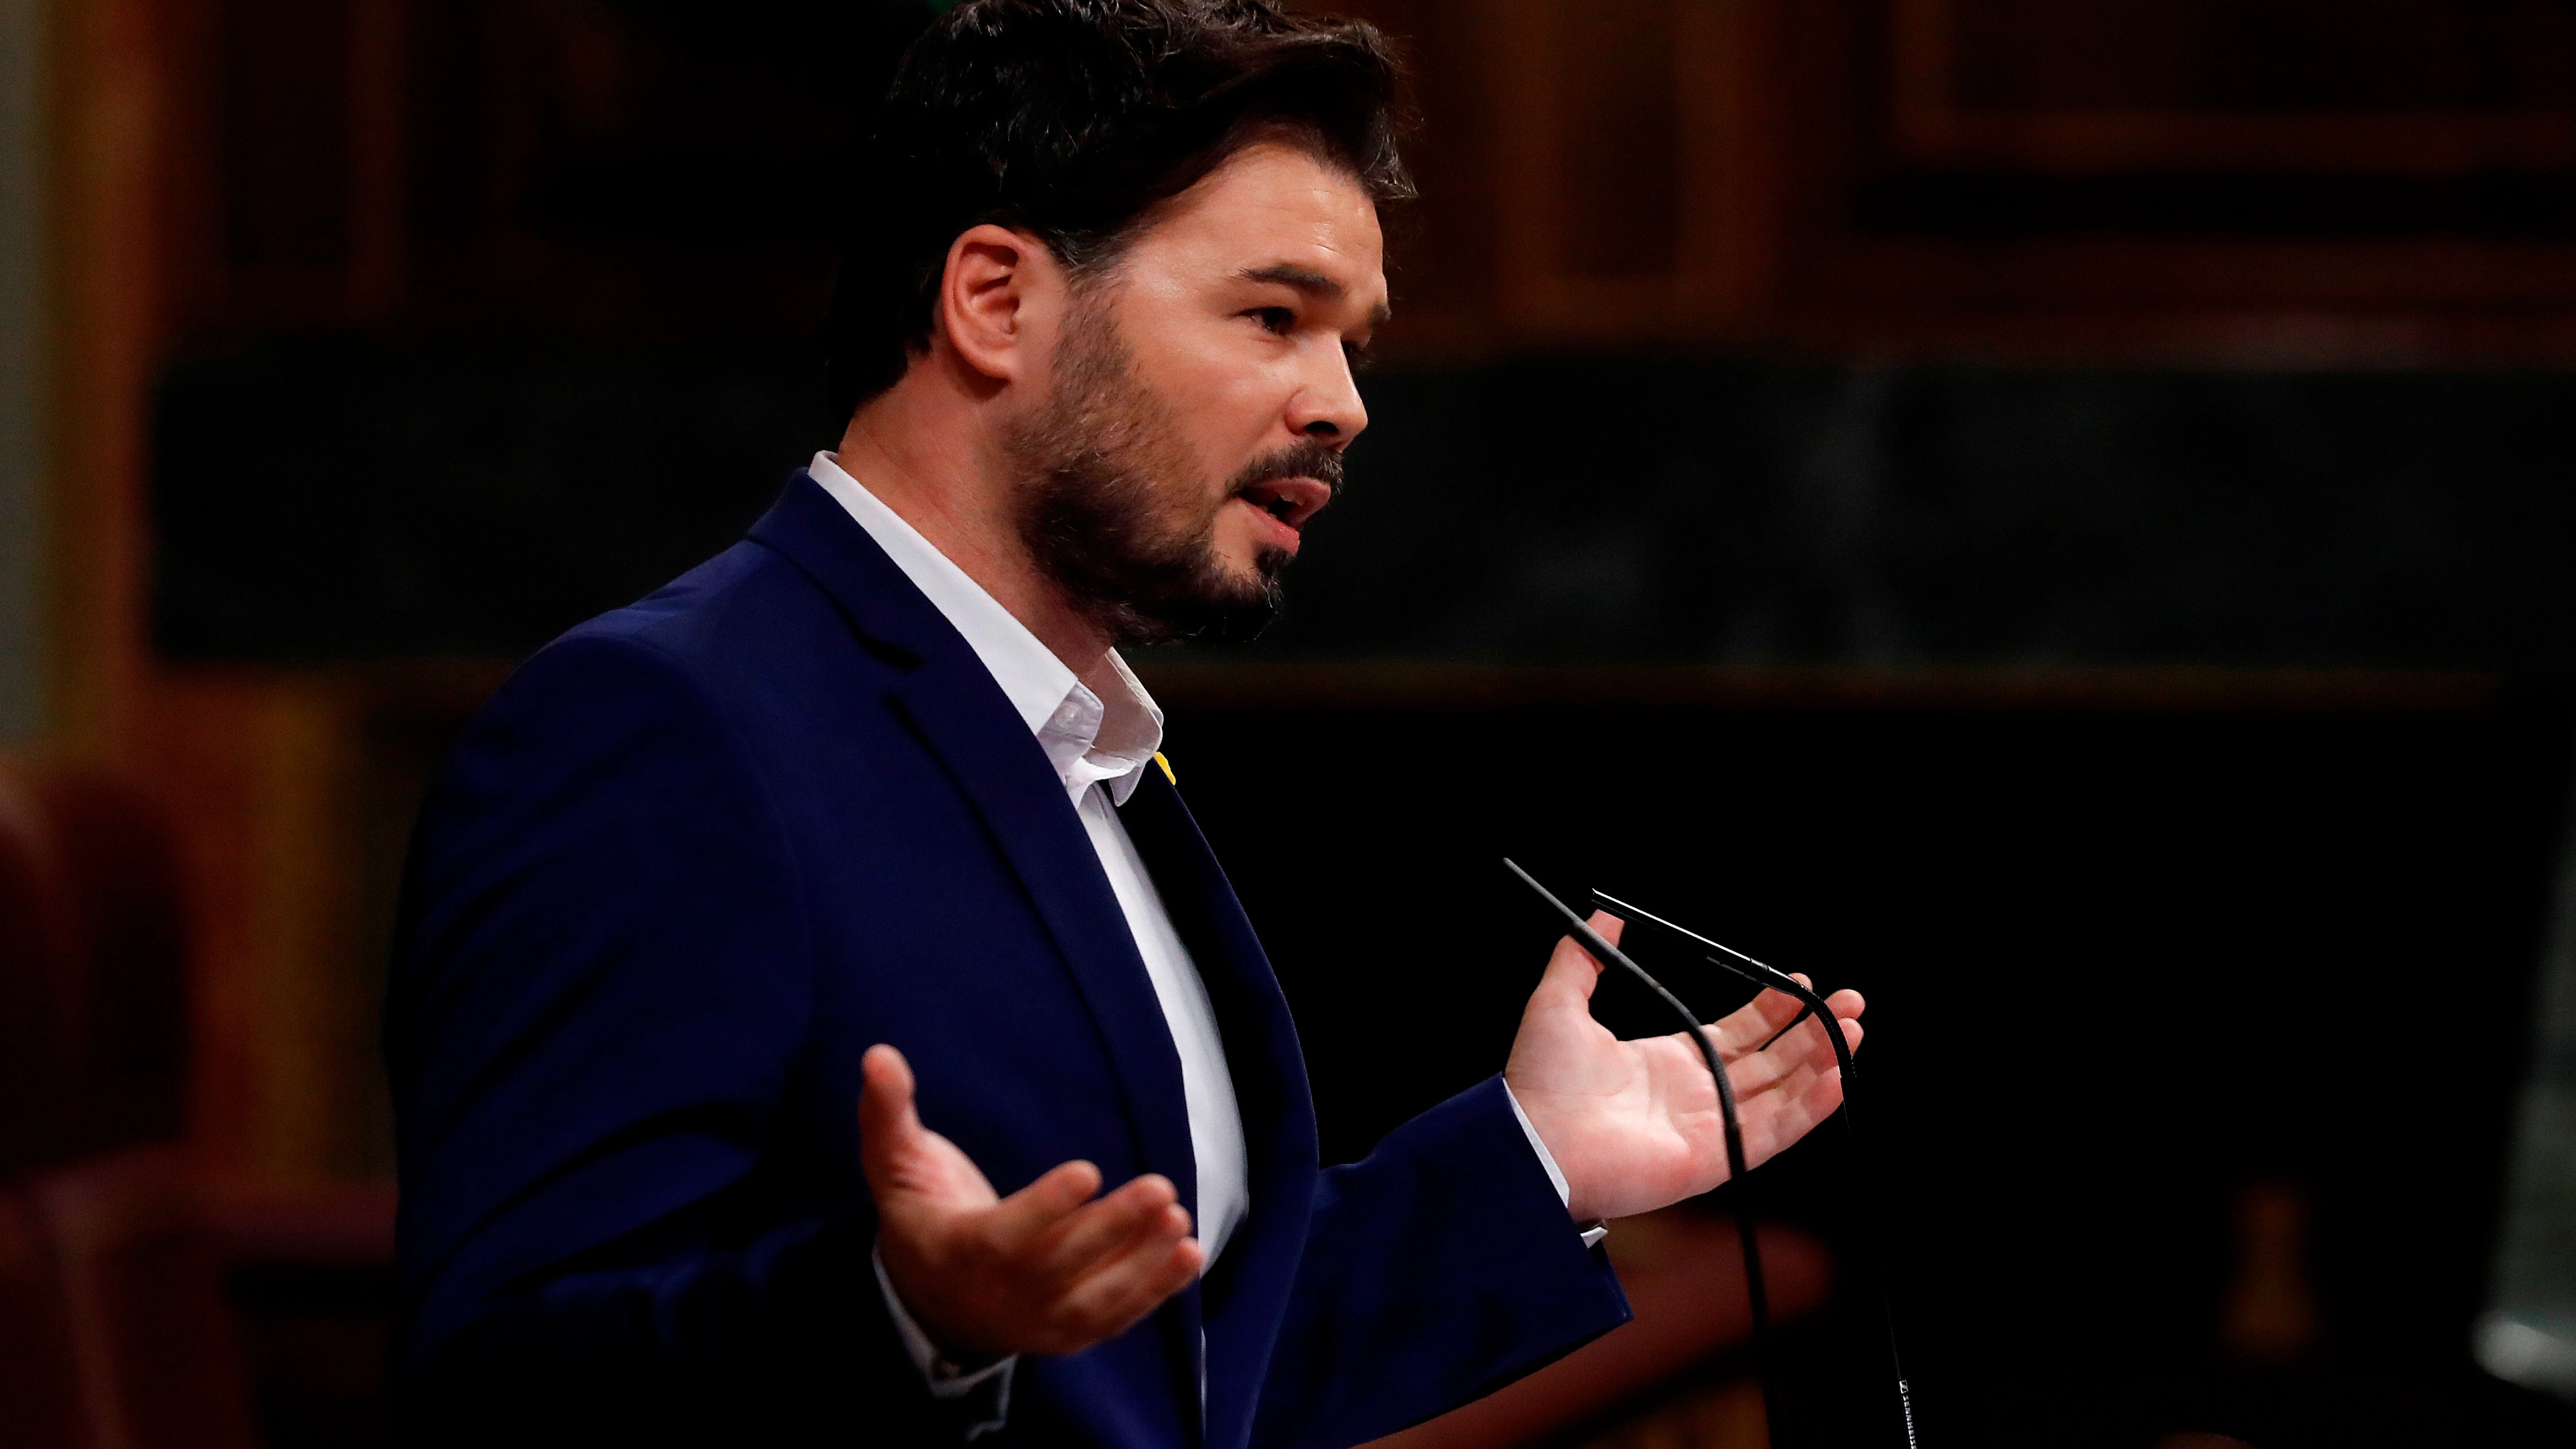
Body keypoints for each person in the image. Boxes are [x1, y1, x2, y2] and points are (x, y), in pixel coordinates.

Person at [383, 2, 1867, 1446]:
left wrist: (1538, 1170)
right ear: (996, 301)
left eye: (1352, 342)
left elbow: (1180, 1384)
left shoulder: (1083, 750)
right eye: (1274, 314)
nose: (1344, 403)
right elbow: (503, 1387)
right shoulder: (660, 730)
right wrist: (906, 1318)